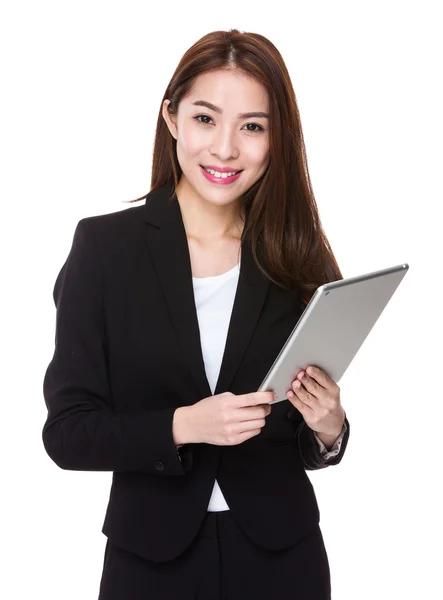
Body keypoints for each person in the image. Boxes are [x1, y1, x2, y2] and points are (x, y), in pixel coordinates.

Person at [42, 28, 350, 600]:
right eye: (206, 119)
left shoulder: (297, 253)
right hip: (151, 561)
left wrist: (329, 427)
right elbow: (67, 433)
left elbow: (305, 440)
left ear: (277, 139)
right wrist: (184, 426)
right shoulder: (105, 250)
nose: (226, 148)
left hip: (284, 558)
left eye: (252, 126)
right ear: (172, 118)